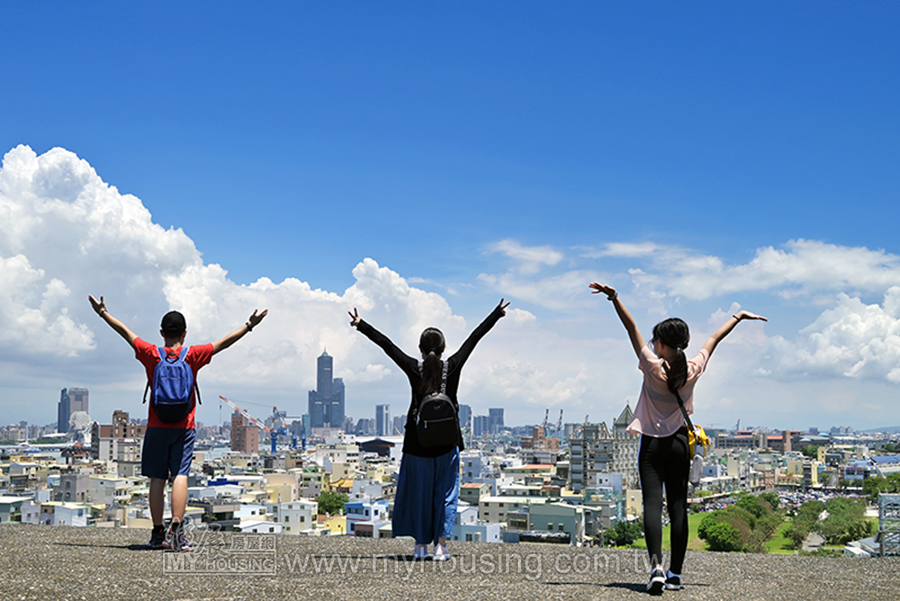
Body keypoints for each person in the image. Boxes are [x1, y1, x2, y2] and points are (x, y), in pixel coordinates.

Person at [589, 282, 766, 594]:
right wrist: (737, 317)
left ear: (662, 343)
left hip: (651, 445)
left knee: (652, 505)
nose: (652, 342)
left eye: (656, 338)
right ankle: (676, 575)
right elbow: (713, 339)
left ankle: (656, 567)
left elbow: (631, 328)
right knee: (679, 506)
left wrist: (614, 297)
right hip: (680, 444)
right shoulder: (693, 368)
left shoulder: (651, 366)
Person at [88, 295, 267, 551]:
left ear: (162, 333)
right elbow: (223, 343)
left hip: (156, 426)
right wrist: (249, 326)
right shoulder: (193, 355)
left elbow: (126, 333)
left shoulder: (151, 353)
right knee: (180, 475)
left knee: (157, 479)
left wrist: (103, 312)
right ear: (184, 333)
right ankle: (178, 529)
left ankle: (158, 533)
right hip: (184, 427)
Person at [349, 299, 509, 560]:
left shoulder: (414, 368)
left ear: (420, 349)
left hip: (416, 443)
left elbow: (387, 346)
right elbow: (474, 338)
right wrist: (496, 314)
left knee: (419, 494)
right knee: (446, 494)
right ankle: (441, 547)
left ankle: (420, 547)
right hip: (447, 442)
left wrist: (361, 324)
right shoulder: (453, 366)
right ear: (444, 348)